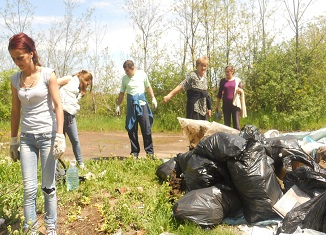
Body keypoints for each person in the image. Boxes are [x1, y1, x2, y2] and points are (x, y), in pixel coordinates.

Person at [8, 33, 65, 235]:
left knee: (48, 188)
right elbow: (16, 112)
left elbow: (59, 106)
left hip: (48, 136)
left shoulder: (49, 74)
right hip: (27, 139)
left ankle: (51, 228)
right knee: (29, 188)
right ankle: (30, 229)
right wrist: (13, 140)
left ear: (31, 53)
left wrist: (59, 136)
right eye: (13, 58)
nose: (17, 62)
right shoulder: (15, 79)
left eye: (20, 57)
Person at [115, 60, 157, 159]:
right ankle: (134, 153)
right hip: (131, 106)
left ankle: (150, 153)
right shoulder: (124, 79)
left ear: (133, 68)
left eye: (127, 71)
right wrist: (118, 104)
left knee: (146, 129)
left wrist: (153, 98)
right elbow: (122, 93)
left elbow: (148, 86)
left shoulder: (142, 74)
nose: (126, 73)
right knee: (132, 130)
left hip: (142, 105)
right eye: (125, 71)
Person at [57, 70, 93, 169]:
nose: (88, 84)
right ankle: (55, 164)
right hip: (59, 114)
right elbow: (54, 83)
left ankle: (80, 163)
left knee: (75, 140)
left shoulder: (80, 91)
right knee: (59, 141)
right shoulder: (70, 79)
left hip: (70, 117)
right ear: (83, 77)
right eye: (87, 81)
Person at [215, 65, 246, 130]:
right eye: (225, 72)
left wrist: (240, 91)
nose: (226, 73)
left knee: (236, 125)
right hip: (226, 105)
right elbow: (219, 94)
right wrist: (217, 105)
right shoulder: (222, 81)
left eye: (228, 72)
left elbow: (241, 90)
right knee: (226, 125)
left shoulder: (237, 80)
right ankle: (228, 139)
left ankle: (237, 139)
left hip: (235, 104)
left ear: (232, 72)